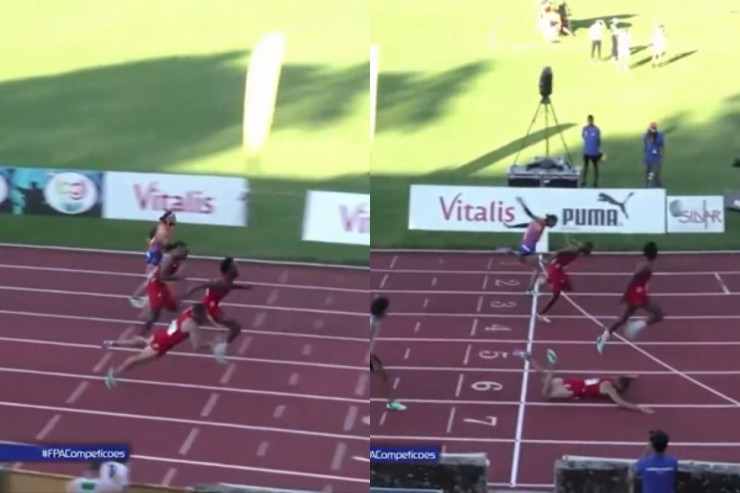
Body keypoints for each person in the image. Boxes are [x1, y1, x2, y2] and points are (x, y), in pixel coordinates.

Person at [103, 303, 218, 388]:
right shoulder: (191, 326)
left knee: (145, 343)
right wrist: (213, 344)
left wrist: (218, 327)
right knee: (136, 360)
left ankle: (113, 343)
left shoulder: (190, 310)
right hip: (162, 344)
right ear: (197, 315)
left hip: (161, 334)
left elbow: (205, 319)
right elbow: (197, 346)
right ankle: (113, 374)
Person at [515, 349, 653, 413]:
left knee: (545, 383)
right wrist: (639, 407)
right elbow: (620, 401)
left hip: (575, 385)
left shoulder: (610, 382)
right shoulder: (610, 387)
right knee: (546, 390)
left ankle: (530, 358)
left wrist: (631, 376)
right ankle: (551, 366)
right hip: (575, 389)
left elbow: (621, 395)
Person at [597, 241, 664, 354]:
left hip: (637, 293)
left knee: (622, 319)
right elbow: (634, 277)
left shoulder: (647, 264)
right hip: (637, 294)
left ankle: (604, 337)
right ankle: (635, 326)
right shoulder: (645, 265)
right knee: (659, 315)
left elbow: (639, 279)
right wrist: (627, 293)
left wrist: (641, 287)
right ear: (653, 253)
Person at [185, 257, 250, 360]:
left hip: (214, 306)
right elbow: (203, 285)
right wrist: (187, 294)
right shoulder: (220, 281)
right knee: (235, 326)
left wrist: (243, 287)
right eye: (235, 267)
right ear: (229, 270)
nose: (237, 269)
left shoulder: (227, 280)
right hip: (209, 307)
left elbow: (229, 286)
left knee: (235, 327)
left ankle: (220, 345)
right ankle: (219, 346)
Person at [496, 197, 558, 294]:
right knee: (537, 267)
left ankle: (510, 252)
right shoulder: (541, 221)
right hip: (528, 246)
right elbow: (529, 214)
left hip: (526, 245)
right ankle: (530, 289)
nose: (554, 225)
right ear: (550, 220)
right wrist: (522, 203)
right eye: (554, 223)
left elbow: (526, 225)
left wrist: (512, 226)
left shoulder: (540, 223)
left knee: (525, 262)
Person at [139, 241, 189, 336]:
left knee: (175, 307)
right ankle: (141, 334)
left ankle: (176, 327)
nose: (186, 255)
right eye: (184, 252)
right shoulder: (168, 258)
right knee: (154, 316)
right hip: (156, 286)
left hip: (161, 286)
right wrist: (177, 277)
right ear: (176, 251)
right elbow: (162, 276)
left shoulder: (175, 259)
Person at [129, 211, 177, 308]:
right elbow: (163, 241)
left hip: (157, 253)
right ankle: (135, 296)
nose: (174, 219)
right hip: (154, 255)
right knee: (152, 278)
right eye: (172, 217)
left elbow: (156, 237)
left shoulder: (167, 227)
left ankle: (153, 296)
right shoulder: (162, 229)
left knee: (156, 277)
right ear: (167, 218)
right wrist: (172, 247)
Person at [537, 239, 594, 320]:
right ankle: (541, 313)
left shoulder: (578, 248)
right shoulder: (574, 250)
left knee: (567, 285)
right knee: (556, 295)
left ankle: (548, 280)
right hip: (555, 269)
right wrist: (548, 260)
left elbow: (578, 244)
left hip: (559, 269)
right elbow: (559, 252)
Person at [370, 296, 406, 411]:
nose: (388, 311)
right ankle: (391, 402)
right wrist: (371, 360)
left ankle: (391, 401)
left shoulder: (374, 321)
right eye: (387, 309)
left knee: (382, 376)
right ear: (381, 310)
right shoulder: (372, 324)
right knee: (382, 376)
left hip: (370, 355)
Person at [581, 115, 602, 187]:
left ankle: (595, 182)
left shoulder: (597, 129)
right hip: (587, 151)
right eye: (589, 120)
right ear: (588, 120)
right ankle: (584, 181)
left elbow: (598, 140)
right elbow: (583, 136)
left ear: (593, 120)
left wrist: (598, 149)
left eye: (591, 120)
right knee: (585, 166)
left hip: (594, 152)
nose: (590, 121)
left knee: (595, 166)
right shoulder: (584, 129)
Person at [643, 123, 665, 187]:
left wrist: (661, 155)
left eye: (654, 128)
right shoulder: (646, 135)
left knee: (656, 173)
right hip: (648, 157)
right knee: (649, 172)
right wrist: (645, 156)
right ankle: (648, 184)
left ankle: (658, 186)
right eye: (652, 128)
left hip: (656, 158)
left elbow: (662, 146)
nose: (653, 129)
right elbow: (645, 146)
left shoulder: (659, 135)